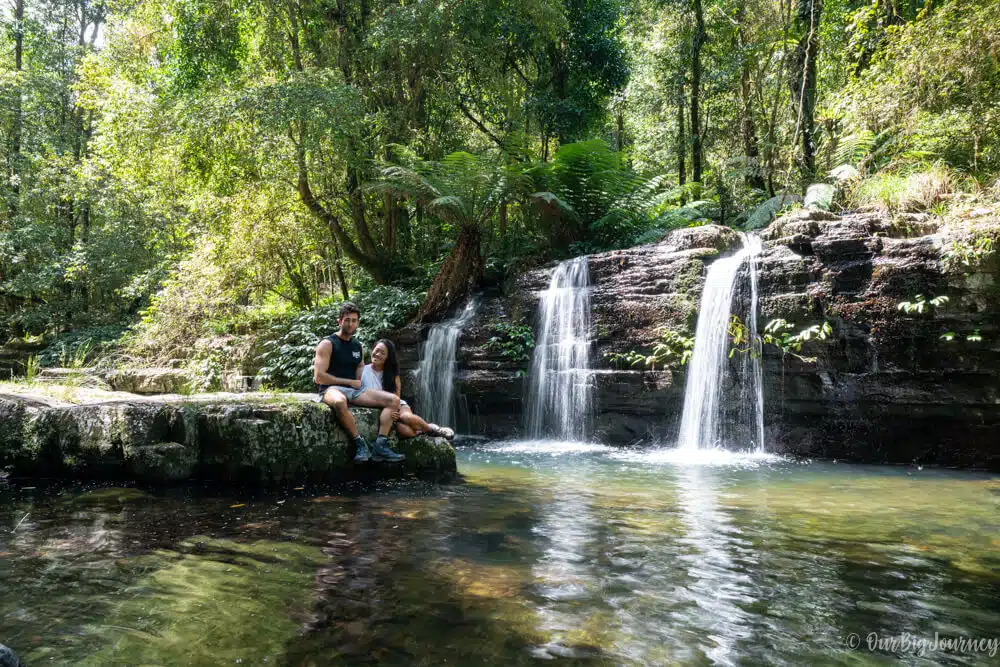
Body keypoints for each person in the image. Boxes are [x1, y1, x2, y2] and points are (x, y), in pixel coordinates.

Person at [313, 302, 405, 463]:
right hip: (330, 389)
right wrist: (349, 381)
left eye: (354, 320)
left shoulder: (358, 346)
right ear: (339, 321)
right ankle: (359, 443)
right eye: (347, 320)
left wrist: (369, 390)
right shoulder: (327, 344)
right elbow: (319, 377)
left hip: (355, 391)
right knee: (340, 401)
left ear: (358, 323)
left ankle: (380, 445)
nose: (350, 324)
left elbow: (360, 369)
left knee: (393, 400)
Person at [362, 339, 455, 440]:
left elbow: (397, 396)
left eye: (383, 353)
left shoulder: (392, 374)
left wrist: (396, 412)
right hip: (383, 410)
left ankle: (434, 431)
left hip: (398, 406)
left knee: (405, 417)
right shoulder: (362, 371)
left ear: (388, 358)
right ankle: (422, 429)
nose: (377, 354)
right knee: (403, 430)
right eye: (377, 350)